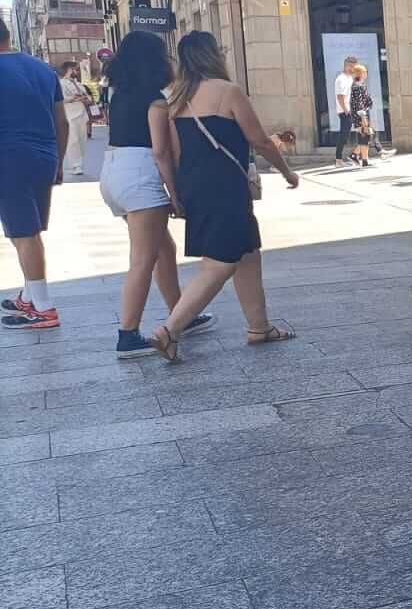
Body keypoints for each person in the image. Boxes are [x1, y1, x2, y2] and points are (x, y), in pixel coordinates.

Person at [143, 31, 300, 362]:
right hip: (225, 186)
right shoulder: (227, 91)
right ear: (213, 54)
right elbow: (260, 141)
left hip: (193, 185)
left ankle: (259, 327)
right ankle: (169, 330)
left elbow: (172, 153)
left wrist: (176, 193)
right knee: (220, 263)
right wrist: (287, 172)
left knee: (247, 252)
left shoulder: (176, 100)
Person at [98, 30, 214, 358]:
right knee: (143, 259)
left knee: (164, 247)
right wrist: (174, 194)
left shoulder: (119, 95)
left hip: (113, 172)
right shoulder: (156, 100)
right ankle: (127, 334)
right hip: (140, 176)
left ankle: (180, 314)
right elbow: (162, 152)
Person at [0, 19, 67, 330]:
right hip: (45, 156)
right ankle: (29, 296)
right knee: (29, 230)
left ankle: (43, 307)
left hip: (8, 156)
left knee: (23, 232)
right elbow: (62, 121)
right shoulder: (43, 70)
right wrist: (59, 162)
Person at [59, 61, 92, 177]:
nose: (77, 72)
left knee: (82, 140)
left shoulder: (78, 84)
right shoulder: (61, 84)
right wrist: (73, 99)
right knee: (73, 141)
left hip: (82, 115)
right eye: (75, 69)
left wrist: (86, 99)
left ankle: (79, 163)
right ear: (69, 70)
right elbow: (60, 100)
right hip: (70, 115)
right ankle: (76, 165)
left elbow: (89, 98)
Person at [332, 55, 358, 166]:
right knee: (344, 135)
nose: (353, 69)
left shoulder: (350, 78)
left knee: (363, 130)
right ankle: (339, 160)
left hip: (351, 110)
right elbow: (340, 96)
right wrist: (346, 110)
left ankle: (355, 155)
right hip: (345, 111)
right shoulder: (341, 79)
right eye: (352, 66)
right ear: (346, 66)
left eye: (354, 67)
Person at [349, 62, 374, 166]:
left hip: (362, 114)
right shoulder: (358, 86)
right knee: (366, 135)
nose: (366, 74)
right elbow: (358, 103)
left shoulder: (359, 85)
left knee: (365, 136)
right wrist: (363, 117)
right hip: (360, 115)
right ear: (360, 73)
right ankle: (361, 158)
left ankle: (361, 158)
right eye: (364, 72)